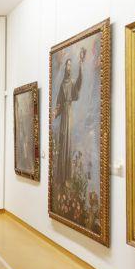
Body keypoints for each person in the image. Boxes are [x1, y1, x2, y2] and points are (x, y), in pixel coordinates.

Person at [52, 50, 84, 190]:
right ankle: (60, 177)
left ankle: (67, 178)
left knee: (68, 144)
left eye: (71, 65)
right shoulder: (62, 85)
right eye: (68, 65)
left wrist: (81, 66)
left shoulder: (71, 83)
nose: (69, 68)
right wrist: (54, 112)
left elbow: (78, 86)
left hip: (69, 115)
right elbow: (59, 103)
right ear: (65, 68)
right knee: (62, 142)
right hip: (64, 114)